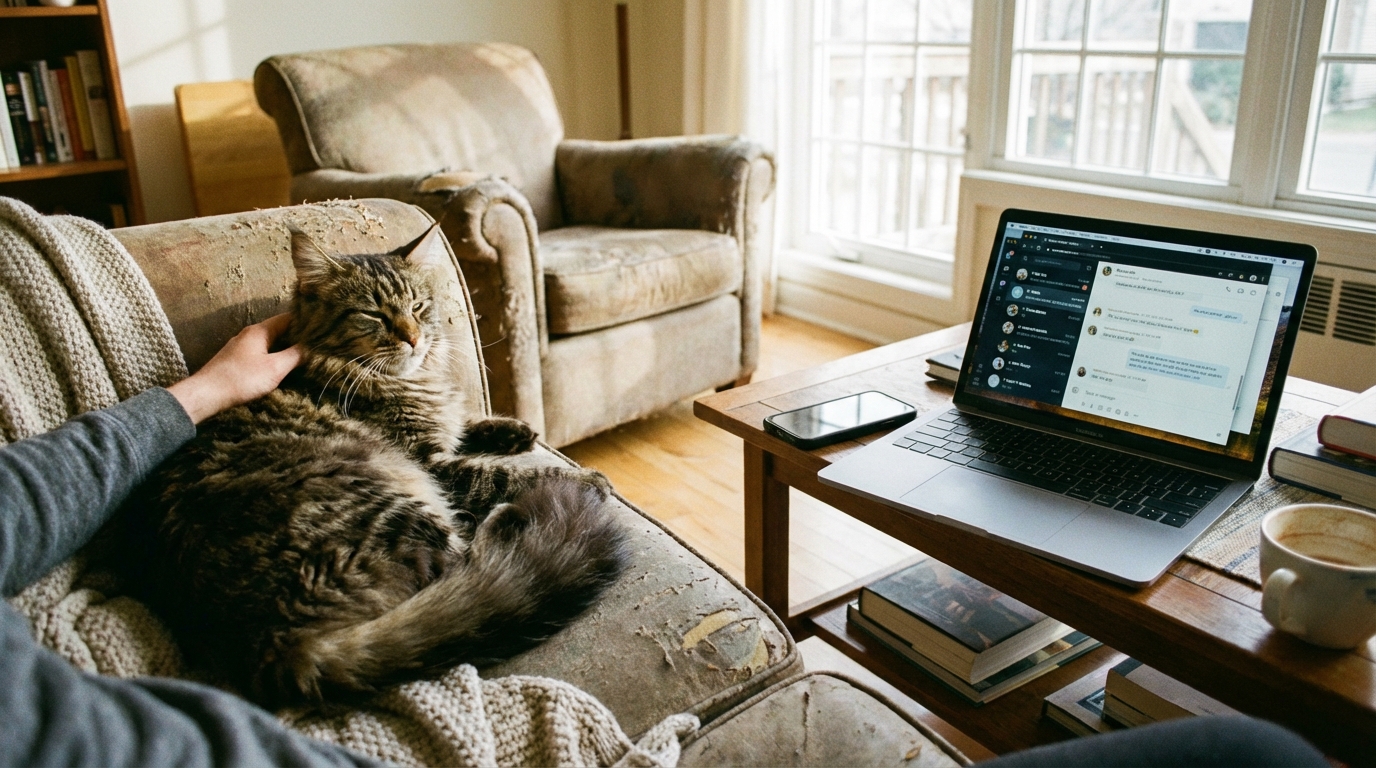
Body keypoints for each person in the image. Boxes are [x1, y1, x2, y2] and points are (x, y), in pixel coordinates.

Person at [0, 316, 1332, 768]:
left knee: (1259, 748)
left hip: (282, 510)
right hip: (316, 567)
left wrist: (200, 394)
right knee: (1263, 748)